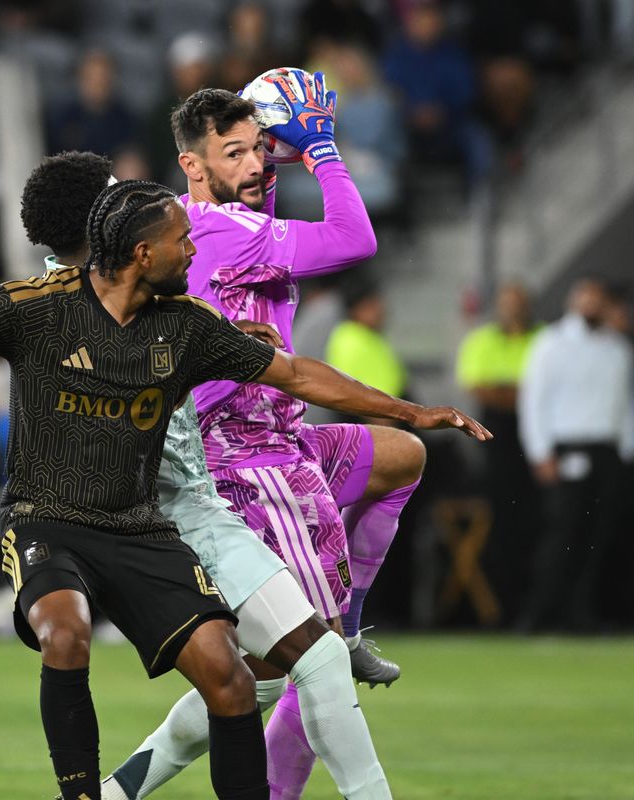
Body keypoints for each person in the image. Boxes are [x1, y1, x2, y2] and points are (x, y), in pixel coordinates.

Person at [0, 178, 490, 800]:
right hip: (48, 520)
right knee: (65, 635)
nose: (193, 250)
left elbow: (297, 374)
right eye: (181, 242)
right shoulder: (38, 307)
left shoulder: (186, 326)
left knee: (229, 681)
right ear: (143, 253)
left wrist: (408, 411)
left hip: (139, 529)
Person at [24, 151, 394, 800]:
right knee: (317, 659)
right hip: (174, 513)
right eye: (116, 193)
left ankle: (111, 794)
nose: (133, 196)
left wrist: (224, 335)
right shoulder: (85, 303)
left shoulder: (101, 289)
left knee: (258, 678)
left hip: (185, 502)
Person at [172, 81, 429, 796]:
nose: (257, 164)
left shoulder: (232, 212)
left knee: (404, 457)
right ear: (194, 166)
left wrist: (269, 150)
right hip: (239, 459)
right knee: (294, 663)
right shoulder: (224, 231)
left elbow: (263, 202)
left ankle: (347, 628)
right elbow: (355, 238)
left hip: (283, 437)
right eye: (236, 153)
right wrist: (318, 148)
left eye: (260, 149)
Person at [517, 279, 633, 631]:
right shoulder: (552, 343)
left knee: (600, 536)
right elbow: (534, 400)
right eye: (586, 298)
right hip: (567, 448)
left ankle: (583, 613)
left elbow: (626, 404)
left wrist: (626, 452)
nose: (592, 306)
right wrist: (540, 451)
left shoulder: (617, 349)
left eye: (598, 300)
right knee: (562, 533)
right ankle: (541, 613)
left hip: (608, 452)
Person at [455, 283, 540, 623]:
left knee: (536, 520)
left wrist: (507, 389)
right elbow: (480, 387)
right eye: (506, 304)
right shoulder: (482, 340)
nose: (512, 310)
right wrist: (523, 392)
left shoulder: (544, 339)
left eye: (517, 303)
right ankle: (502, 609)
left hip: (535, 437)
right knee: (502, 520)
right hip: (499, 440)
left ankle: (533, 605)